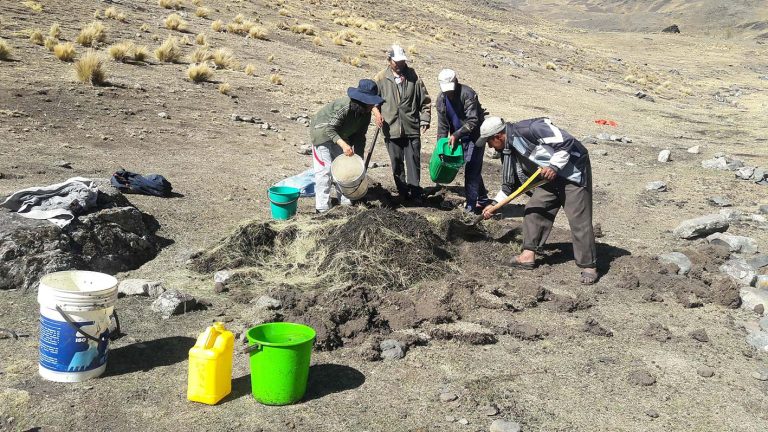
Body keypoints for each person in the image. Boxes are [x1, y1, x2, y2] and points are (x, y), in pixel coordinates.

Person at [476, 116, 599, 284]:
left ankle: (588, 265)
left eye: (489, 142)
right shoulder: (507, 151)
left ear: (498, 136)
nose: (489, 147)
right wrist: (494, 204)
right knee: (534, 209)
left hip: (573, 173)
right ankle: (528, 255)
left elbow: (566, 141)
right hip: (548, 178)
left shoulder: (531, 128)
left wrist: (554, 166)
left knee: (579, 218)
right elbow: (509, 186)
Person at [310, 79, 384, 213]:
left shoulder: (365, 114)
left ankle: (345, 203)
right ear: (363, 100)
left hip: (341, 134)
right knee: (325, 171)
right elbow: (330, 129)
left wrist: (359, 160)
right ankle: (322, 208)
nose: (373, 106)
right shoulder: (345, 107)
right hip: (322, 132)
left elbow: (360, 137)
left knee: (344, 170)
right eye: (371, 102)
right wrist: (344, 145)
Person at [373, 44, 431, 204]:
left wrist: (425, 118)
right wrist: (377, 113)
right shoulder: (380, 78)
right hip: (391, 128)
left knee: (413, 161)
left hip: (411, 127)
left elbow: (425, 100)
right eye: (396, 62)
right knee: (396, 163)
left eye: (402, 62)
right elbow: (373, 101)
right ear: (389, 60)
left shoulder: (413, 76)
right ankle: (403, 193)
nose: (399, 65)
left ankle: (415, 193)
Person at [435, 69, 489, 214]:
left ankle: (470, 207)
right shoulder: (441, 100)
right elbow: (442, 126)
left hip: (475, 136)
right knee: (473, 168)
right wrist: (440, 147)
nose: (448, 93)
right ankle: (483, 198)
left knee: (471, 169)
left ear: (456, 81)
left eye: (450, 90)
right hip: (458, 138)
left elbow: (473, 120)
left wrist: (456, 134)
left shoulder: (468, 94)